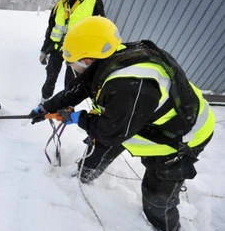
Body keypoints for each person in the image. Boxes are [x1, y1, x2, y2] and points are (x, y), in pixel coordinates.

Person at [29, 16, 215, 231]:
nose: (71, 67)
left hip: (180, 137)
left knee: (157, 198)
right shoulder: (109, 58)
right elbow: (82, 88)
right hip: (132, 117)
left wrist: (77, 118)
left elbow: (110, 132)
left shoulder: (129, 86)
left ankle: (165, 225)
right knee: (99, 143)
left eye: (73, 62)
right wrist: (48, 107)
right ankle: (85, 174)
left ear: (88, 60)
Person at [39, 0, 105, 103]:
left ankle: (65, 107)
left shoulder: (94, 1)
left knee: (71, 83)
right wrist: (44, 50)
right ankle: (44, 102)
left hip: (78, 53)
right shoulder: (60, 3)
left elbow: (100, 30)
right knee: (50, 77)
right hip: (57, 49)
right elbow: (51, 28)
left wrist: (93, 57)